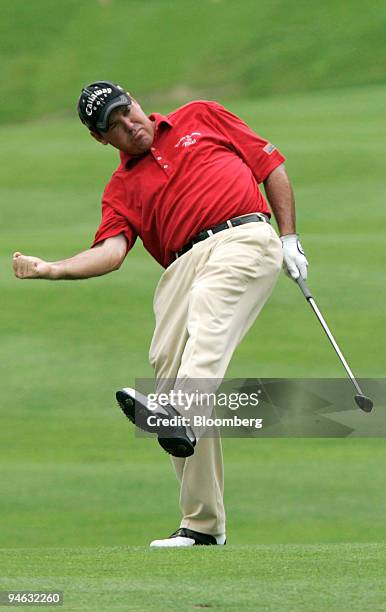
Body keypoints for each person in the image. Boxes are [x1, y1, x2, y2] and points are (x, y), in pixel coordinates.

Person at [12, 81, 308, 548]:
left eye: (127, 111)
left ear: (135, 100)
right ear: (101, 139)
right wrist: (53, 269)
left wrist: (289, 237)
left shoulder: (202, 116)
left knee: (209, 314)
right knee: (167, 372)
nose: (129, 125)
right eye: (114, 126)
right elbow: (110, 252)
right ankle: (203, 526)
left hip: (241, 237)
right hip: (179, 267)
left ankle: (182, 412)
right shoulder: (121, 189)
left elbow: (269, 164)